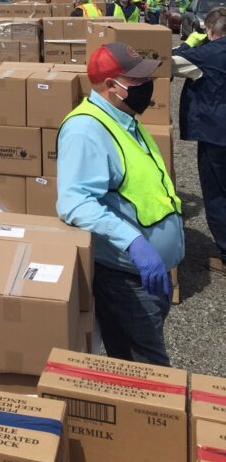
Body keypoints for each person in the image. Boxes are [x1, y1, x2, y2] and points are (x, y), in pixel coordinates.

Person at [57, 42, 184, 366]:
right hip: (124, 279)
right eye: (138, 81)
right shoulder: (86, 129)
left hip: (149, 272)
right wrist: (135, 243)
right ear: (112, 87)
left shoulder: (125, 117)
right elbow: (75, 202)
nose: (148, 86)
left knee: (145, 359)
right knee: (148, 375)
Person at [172, 7, 226, 274]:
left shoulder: (205, 55)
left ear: (210, 30)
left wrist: (190, 42)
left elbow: (166, 62)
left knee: (217, 194)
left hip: (218, 136)